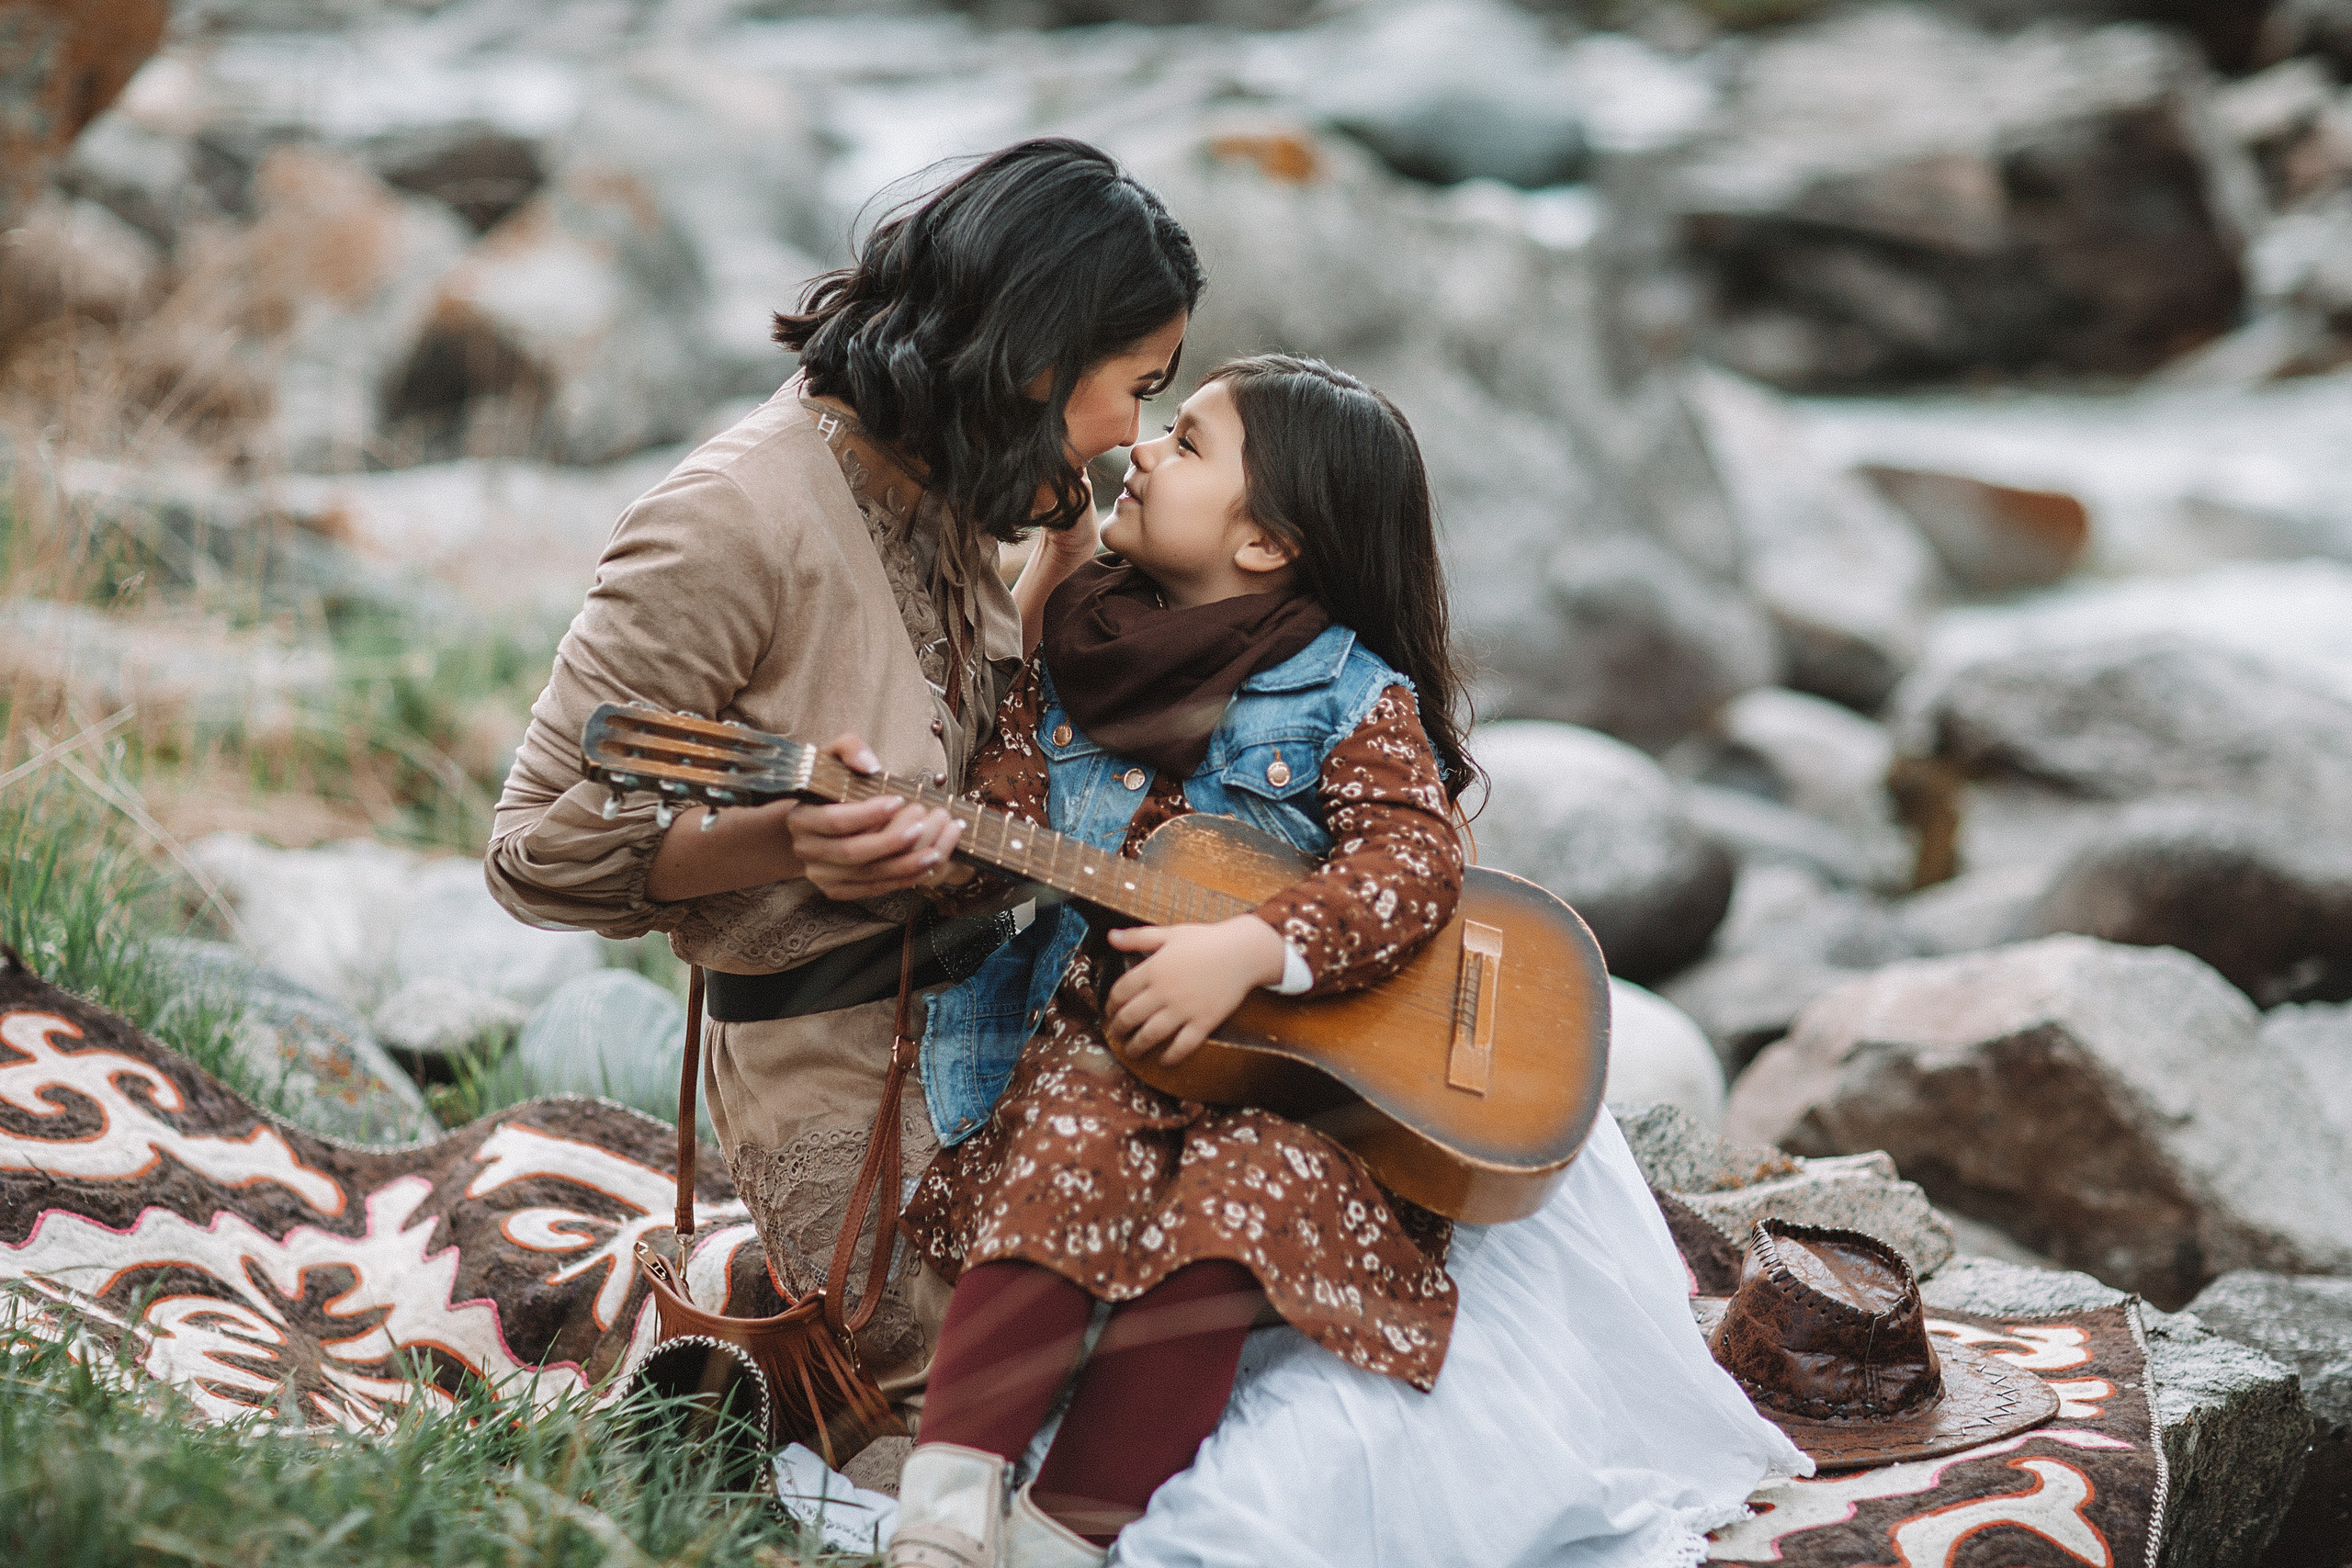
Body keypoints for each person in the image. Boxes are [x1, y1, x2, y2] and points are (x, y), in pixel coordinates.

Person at [849, 355, 1804, 1568]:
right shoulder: (1076, 653)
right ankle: (945, 1510)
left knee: (1243, 1208)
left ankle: (1067, 1533)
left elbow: (1413, 864)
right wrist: (921, 843)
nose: (1141, 448)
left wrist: (1258, 947)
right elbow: (1006, 832)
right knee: (1060, 1161)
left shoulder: (1347, 693)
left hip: (1306, 1081)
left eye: (1188, 444)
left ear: (1265, 544)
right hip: (1114, 1032)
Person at [482, 137, 1204, 1410]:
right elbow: (531, 852)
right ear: (1037, 355)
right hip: (836, 1068)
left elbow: (983, 759)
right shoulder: (729, 520)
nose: (1130, 435)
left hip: (1007, 1007)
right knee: (1027, 1412)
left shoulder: (953, 477)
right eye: (1136, 388)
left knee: (1235, 1295)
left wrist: (1062, 569)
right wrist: (784, 841)